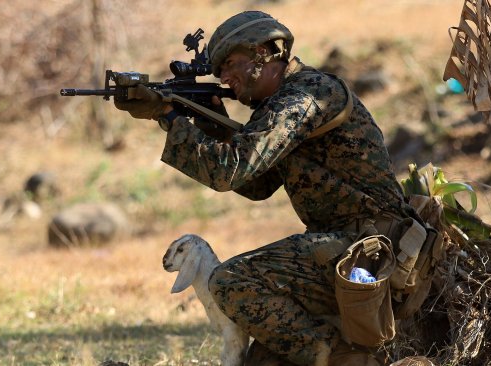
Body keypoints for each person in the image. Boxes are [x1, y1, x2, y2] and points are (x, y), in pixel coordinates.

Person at [115, 10, 419, 366]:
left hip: (369, 248)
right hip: (347, 245)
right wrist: (208, 125)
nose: (226, 79)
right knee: (264, 359)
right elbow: (257, 185)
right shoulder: (277, 105)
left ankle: (343, 360)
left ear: (264, 53)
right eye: (219, 72)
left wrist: (169, 116)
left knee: (230, 281)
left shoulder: (307, 94)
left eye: (230, 64)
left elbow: (230, 170)